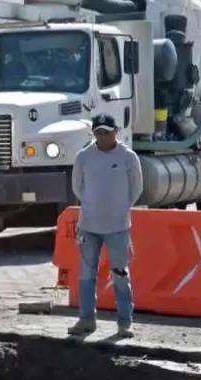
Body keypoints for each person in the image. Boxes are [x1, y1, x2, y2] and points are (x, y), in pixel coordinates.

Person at [68, 114, 143, 338]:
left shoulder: (128, 157)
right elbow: (77, 188)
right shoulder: (83, 157)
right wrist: (93, 207)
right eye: (98, 132)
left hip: (118, 225)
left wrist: (119, 208)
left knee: (120, 273)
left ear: (116, 132)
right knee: (86, 273)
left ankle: (124, 322)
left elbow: (136, 189)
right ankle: (87, 319)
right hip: (89, 225)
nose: (102, 136)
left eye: (106, 132)